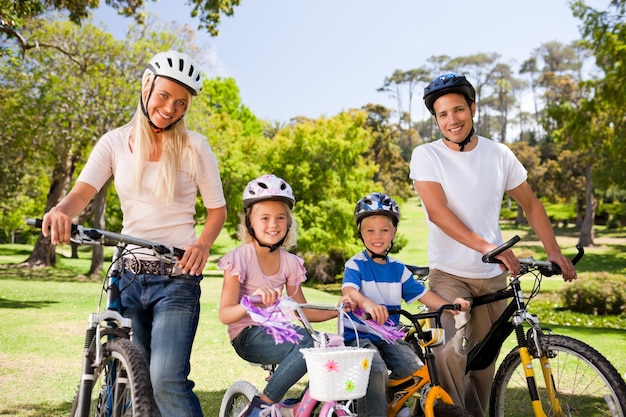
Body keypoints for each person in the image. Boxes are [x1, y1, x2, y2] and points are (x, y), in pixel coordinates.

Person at [42, 50, 227, 417]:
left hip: (177, 278)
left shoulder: (195, 148)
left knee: (165, 380)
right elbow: (83, 192)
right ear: (146, 86)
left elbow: (217, 210)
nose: (170, 108)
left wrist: (203, 244)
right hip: (128, 275)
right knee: (132, 383)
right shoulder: (114, 142)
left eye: (181, 102)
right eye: (164, 95)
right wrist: (61, 211)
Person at [409, 73, 578, 416]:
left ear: (472, 109)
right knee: (450, 350)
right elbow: (439, 213)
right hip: (448, 274)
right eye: (442, 114)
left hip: (492, 277)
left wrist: (554, 251)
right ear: (436, 119)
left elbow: (530, 203)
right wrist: (492, 246)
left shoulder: (499, 154)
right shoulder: (427, 156)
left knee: (485, 364)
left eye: (458, 110)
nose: (451, 120)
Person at [218, 174, 352, 417]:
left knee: (331, 348)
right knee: (309, 342)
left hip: (280, 332)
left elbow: (303, 311)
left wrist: (339, 309)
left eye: (281, 218)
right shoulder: (239, 258)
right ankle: (260, 407)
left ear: (289, 223)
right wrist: (250, 302)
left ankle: (302, 406)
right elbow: (226, 314)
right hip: (247, 335)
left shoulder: (290, 263)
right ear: (250, 222)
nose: (273, 224)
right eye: (265, 218)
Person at [341, 192, 471, 417]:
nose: (377, 236)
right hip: (358, 336)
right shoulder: (356, 264)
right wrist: (368, 303)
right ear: (360, 233)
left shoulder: (398, 269)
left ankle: (388, 400)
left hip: (389, 336)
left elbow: (423, 295)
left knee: (416, 370)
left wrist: (451, 305)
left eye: (384, 230)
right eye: (370, 230)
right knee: (376, 369)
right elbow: (350, 291)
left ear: (394, 232)